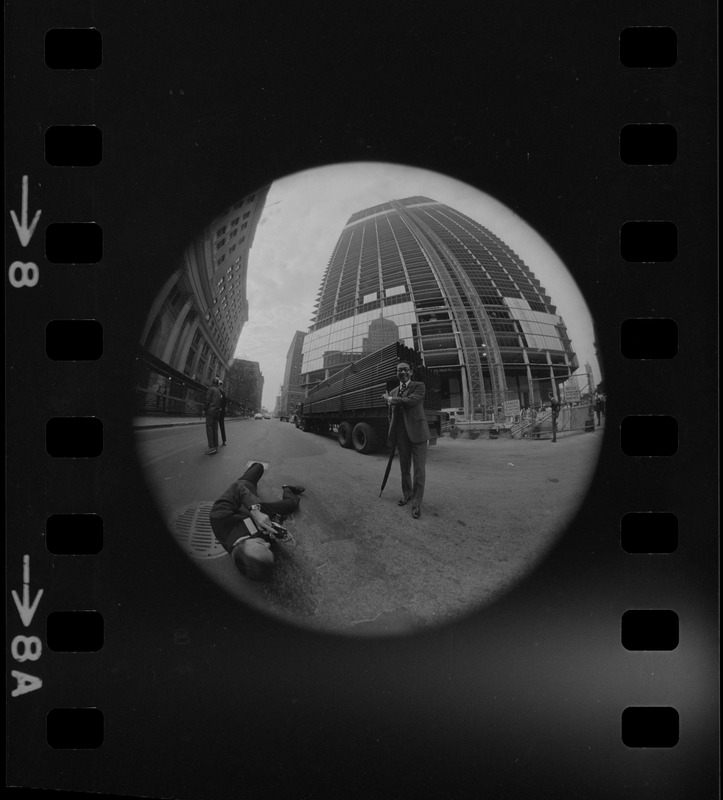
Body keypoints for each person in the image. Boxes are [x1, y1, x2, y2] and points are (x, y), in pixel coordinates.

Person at [209, 462, 305, 581]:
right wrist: (278, 531)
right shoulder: (252, 550)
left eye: (261, 544)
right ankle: (287, 488)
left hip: (245, 489)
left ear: (240, 544)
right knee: (292, 504)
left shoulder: (219, 519)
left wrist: (255, 510)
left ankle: (250, 471)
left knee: (258, 466)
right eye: (268, 549)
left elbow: (236, 488)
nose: (267, 544)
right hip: (262, 508)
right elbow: (269, 535)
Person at [382, 362, 430, 519]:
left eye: (405, 369)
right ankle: (407, 494)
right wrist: (394, 430)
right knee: (404, 468)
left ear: (411, 372)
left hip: (418, 434)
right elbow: (391, 415)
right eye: (399, 370)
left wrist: (390, 399)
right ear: (397, 373)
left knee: (419, 470)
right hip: (401, 436)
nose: (403, 372)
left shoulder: (419, 386)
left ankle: (416, 503)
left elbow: (410, 401)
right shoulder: (394, 391)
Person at [202, 377, 223, 455]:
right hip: (217, 413)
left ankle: (211, 447)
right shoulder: (219, 392)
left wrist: (204, 409)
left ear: (212, 382)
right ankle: (216, 446)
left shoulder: (211, 389)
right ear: (217, 383)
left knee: (209, 429)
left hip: (211, 412)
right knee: (215, 430)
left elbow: (207, 400)